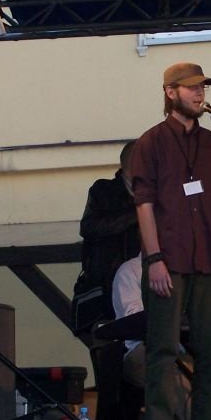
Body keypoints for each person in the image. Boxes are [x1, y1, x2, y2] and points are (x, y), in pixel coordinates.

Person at [130, 62, 211, 420]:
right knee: (162, 349)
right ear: (170, 92)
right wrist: (153, 258)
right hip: (169, 259)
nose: (200, 93)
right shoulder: (151, 142)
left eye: (202, 87)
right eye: (191, 87)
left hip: (208, 258)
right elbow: (144, 205)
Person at [112, 253, 191, 420]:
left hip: (181, 352)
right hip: (141, 350)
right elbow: (133, 318)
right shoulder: (130, 270)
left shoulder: (183, 271)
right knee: (172, 373)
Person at [72, 141, 141, 344]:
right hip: (106, 288)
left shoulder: (160, 192)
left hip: (142, 283)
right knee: (110, 350)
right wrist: (140, 211)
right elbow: (90, 227)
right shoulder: (104, 190)